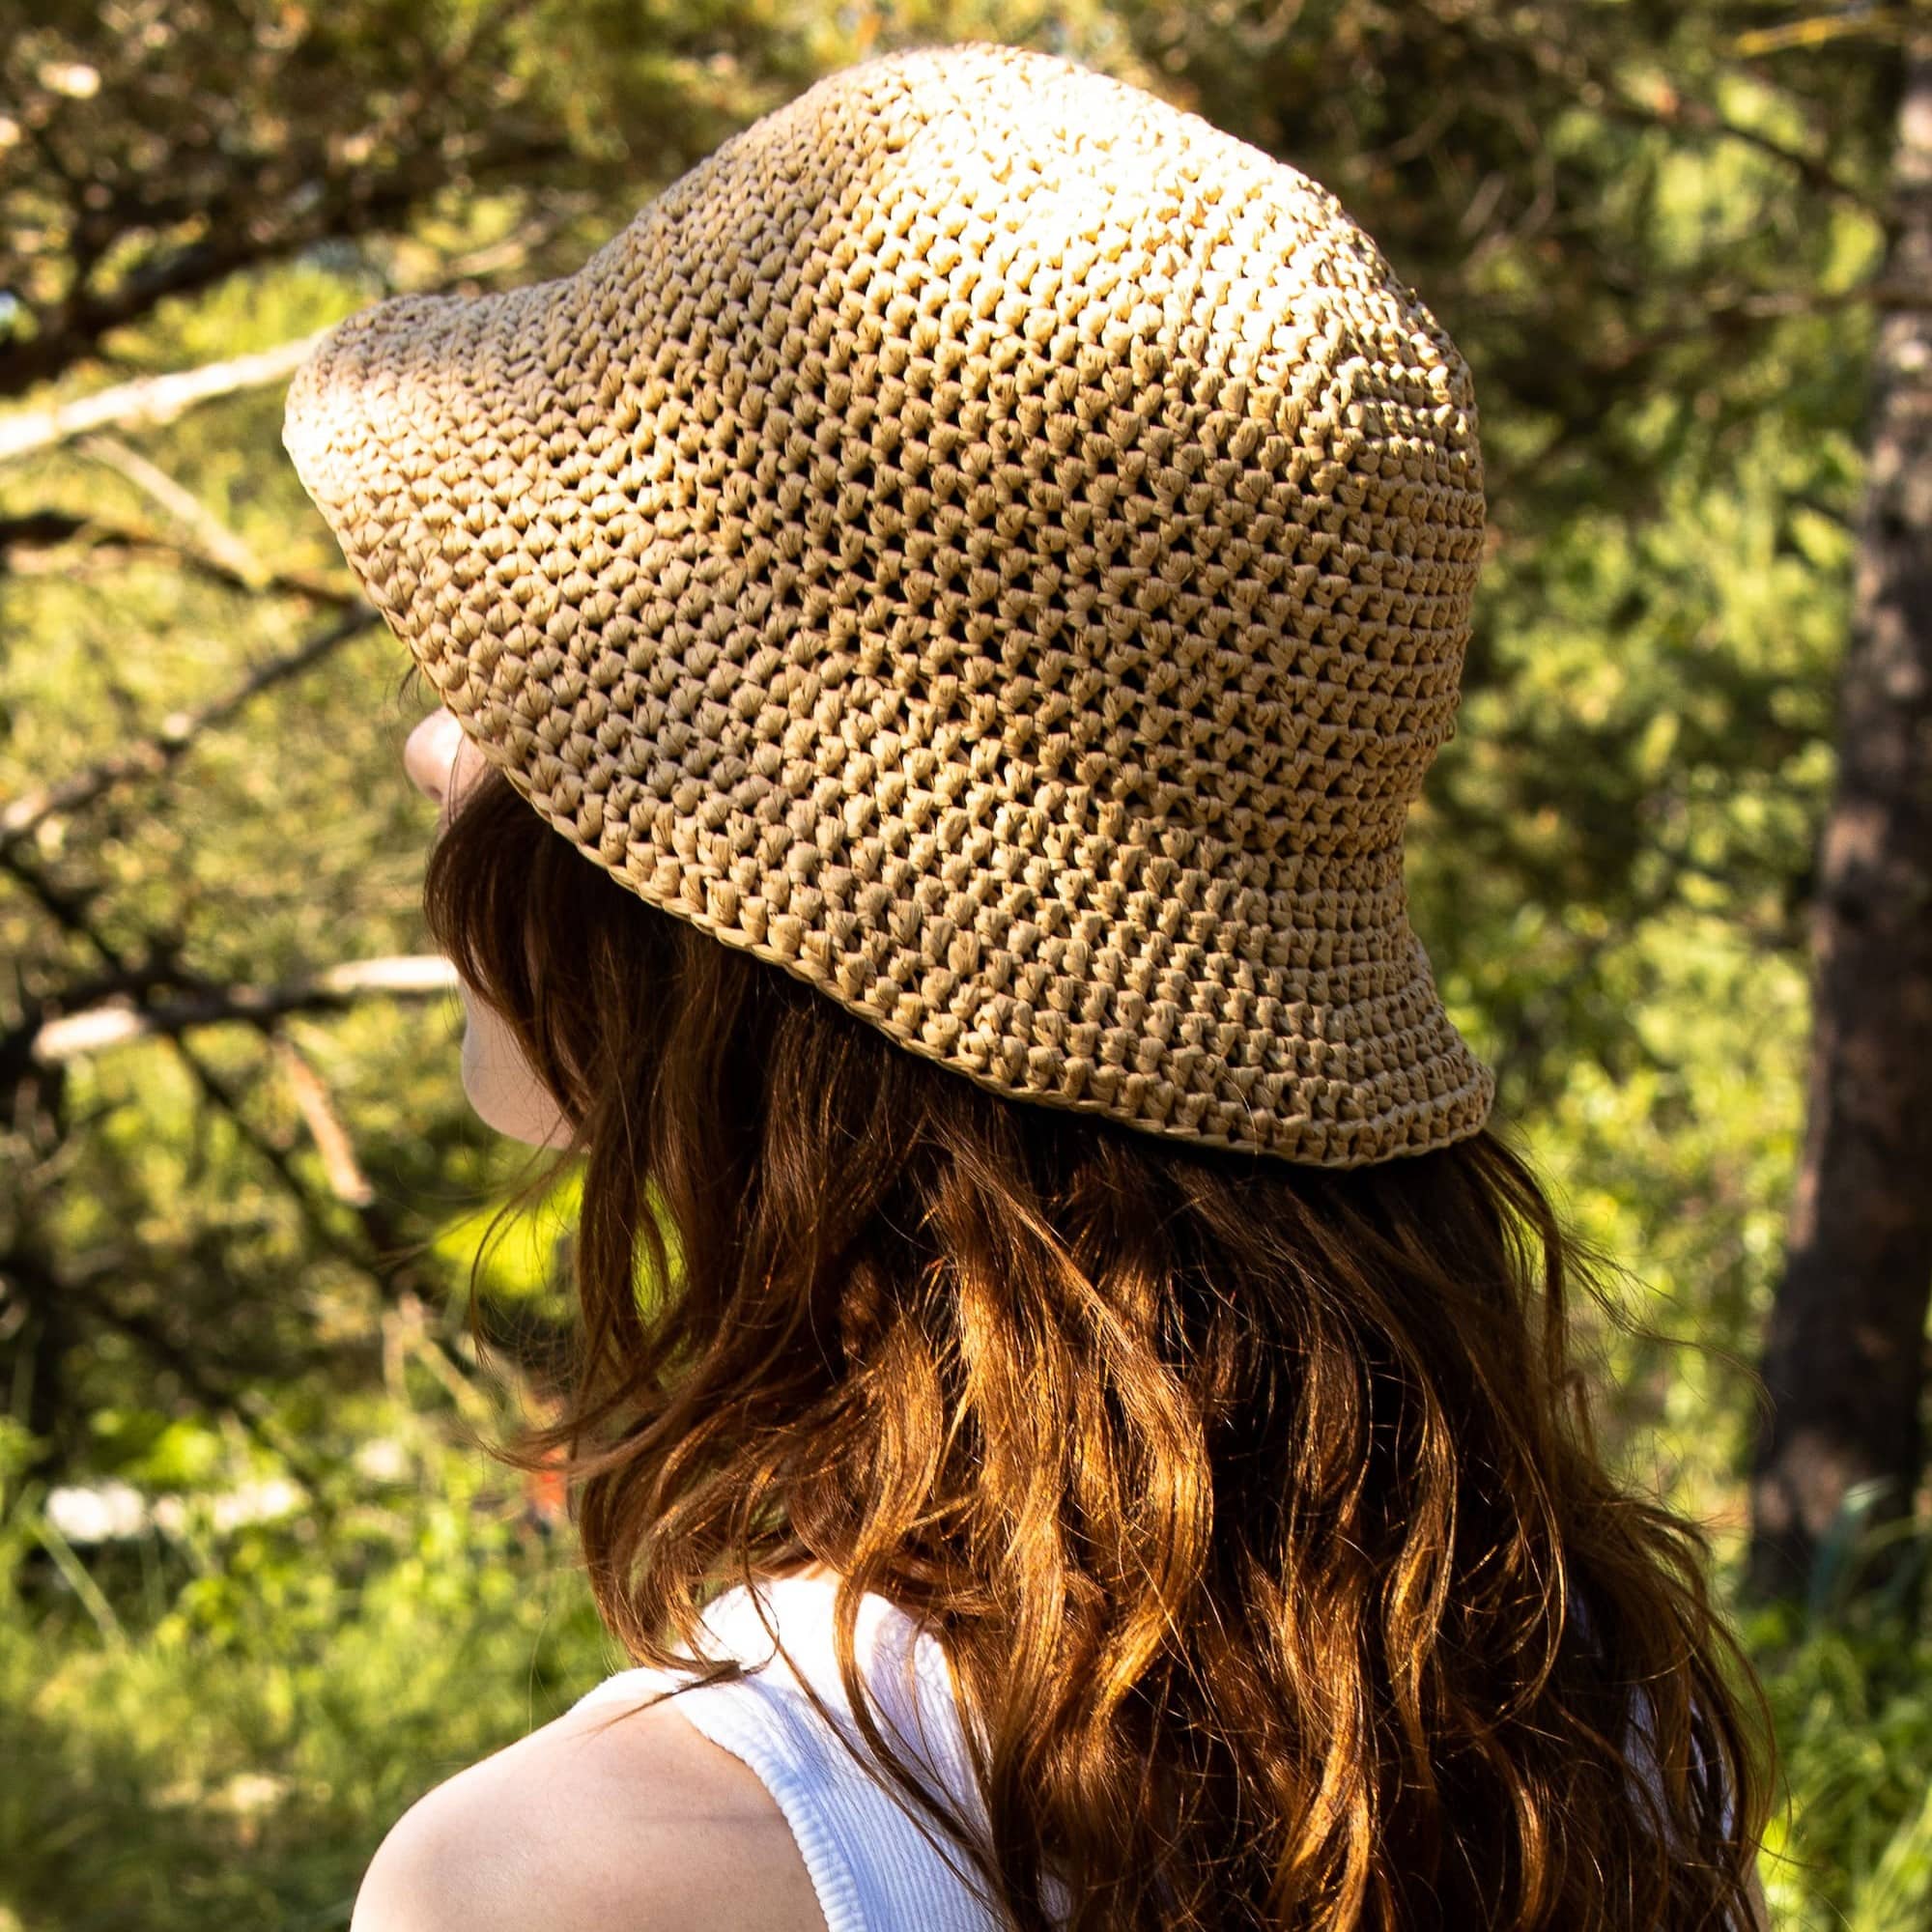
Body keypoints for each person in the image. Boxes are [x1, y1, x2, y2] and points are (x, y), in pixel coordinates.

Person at [283, 40, 1776, 1932]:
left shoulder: (585, 1879)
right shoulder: (1560, 1731)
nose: (436, 747)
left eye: (548, 687)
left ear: (780, 893)